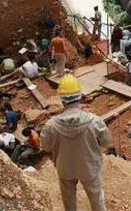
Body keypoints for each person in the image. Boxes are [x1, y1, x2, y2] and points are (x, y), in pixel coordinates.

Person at [41, 74, 112, 211]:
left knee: (69, 202)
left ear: (62, 99)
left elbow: (45, 146)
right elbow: (107, 143)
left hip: (65, 168)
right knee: (97, 199)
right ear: (79, 96)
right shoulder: (95, 121)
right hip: (89, 167)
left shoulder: (50, 126)